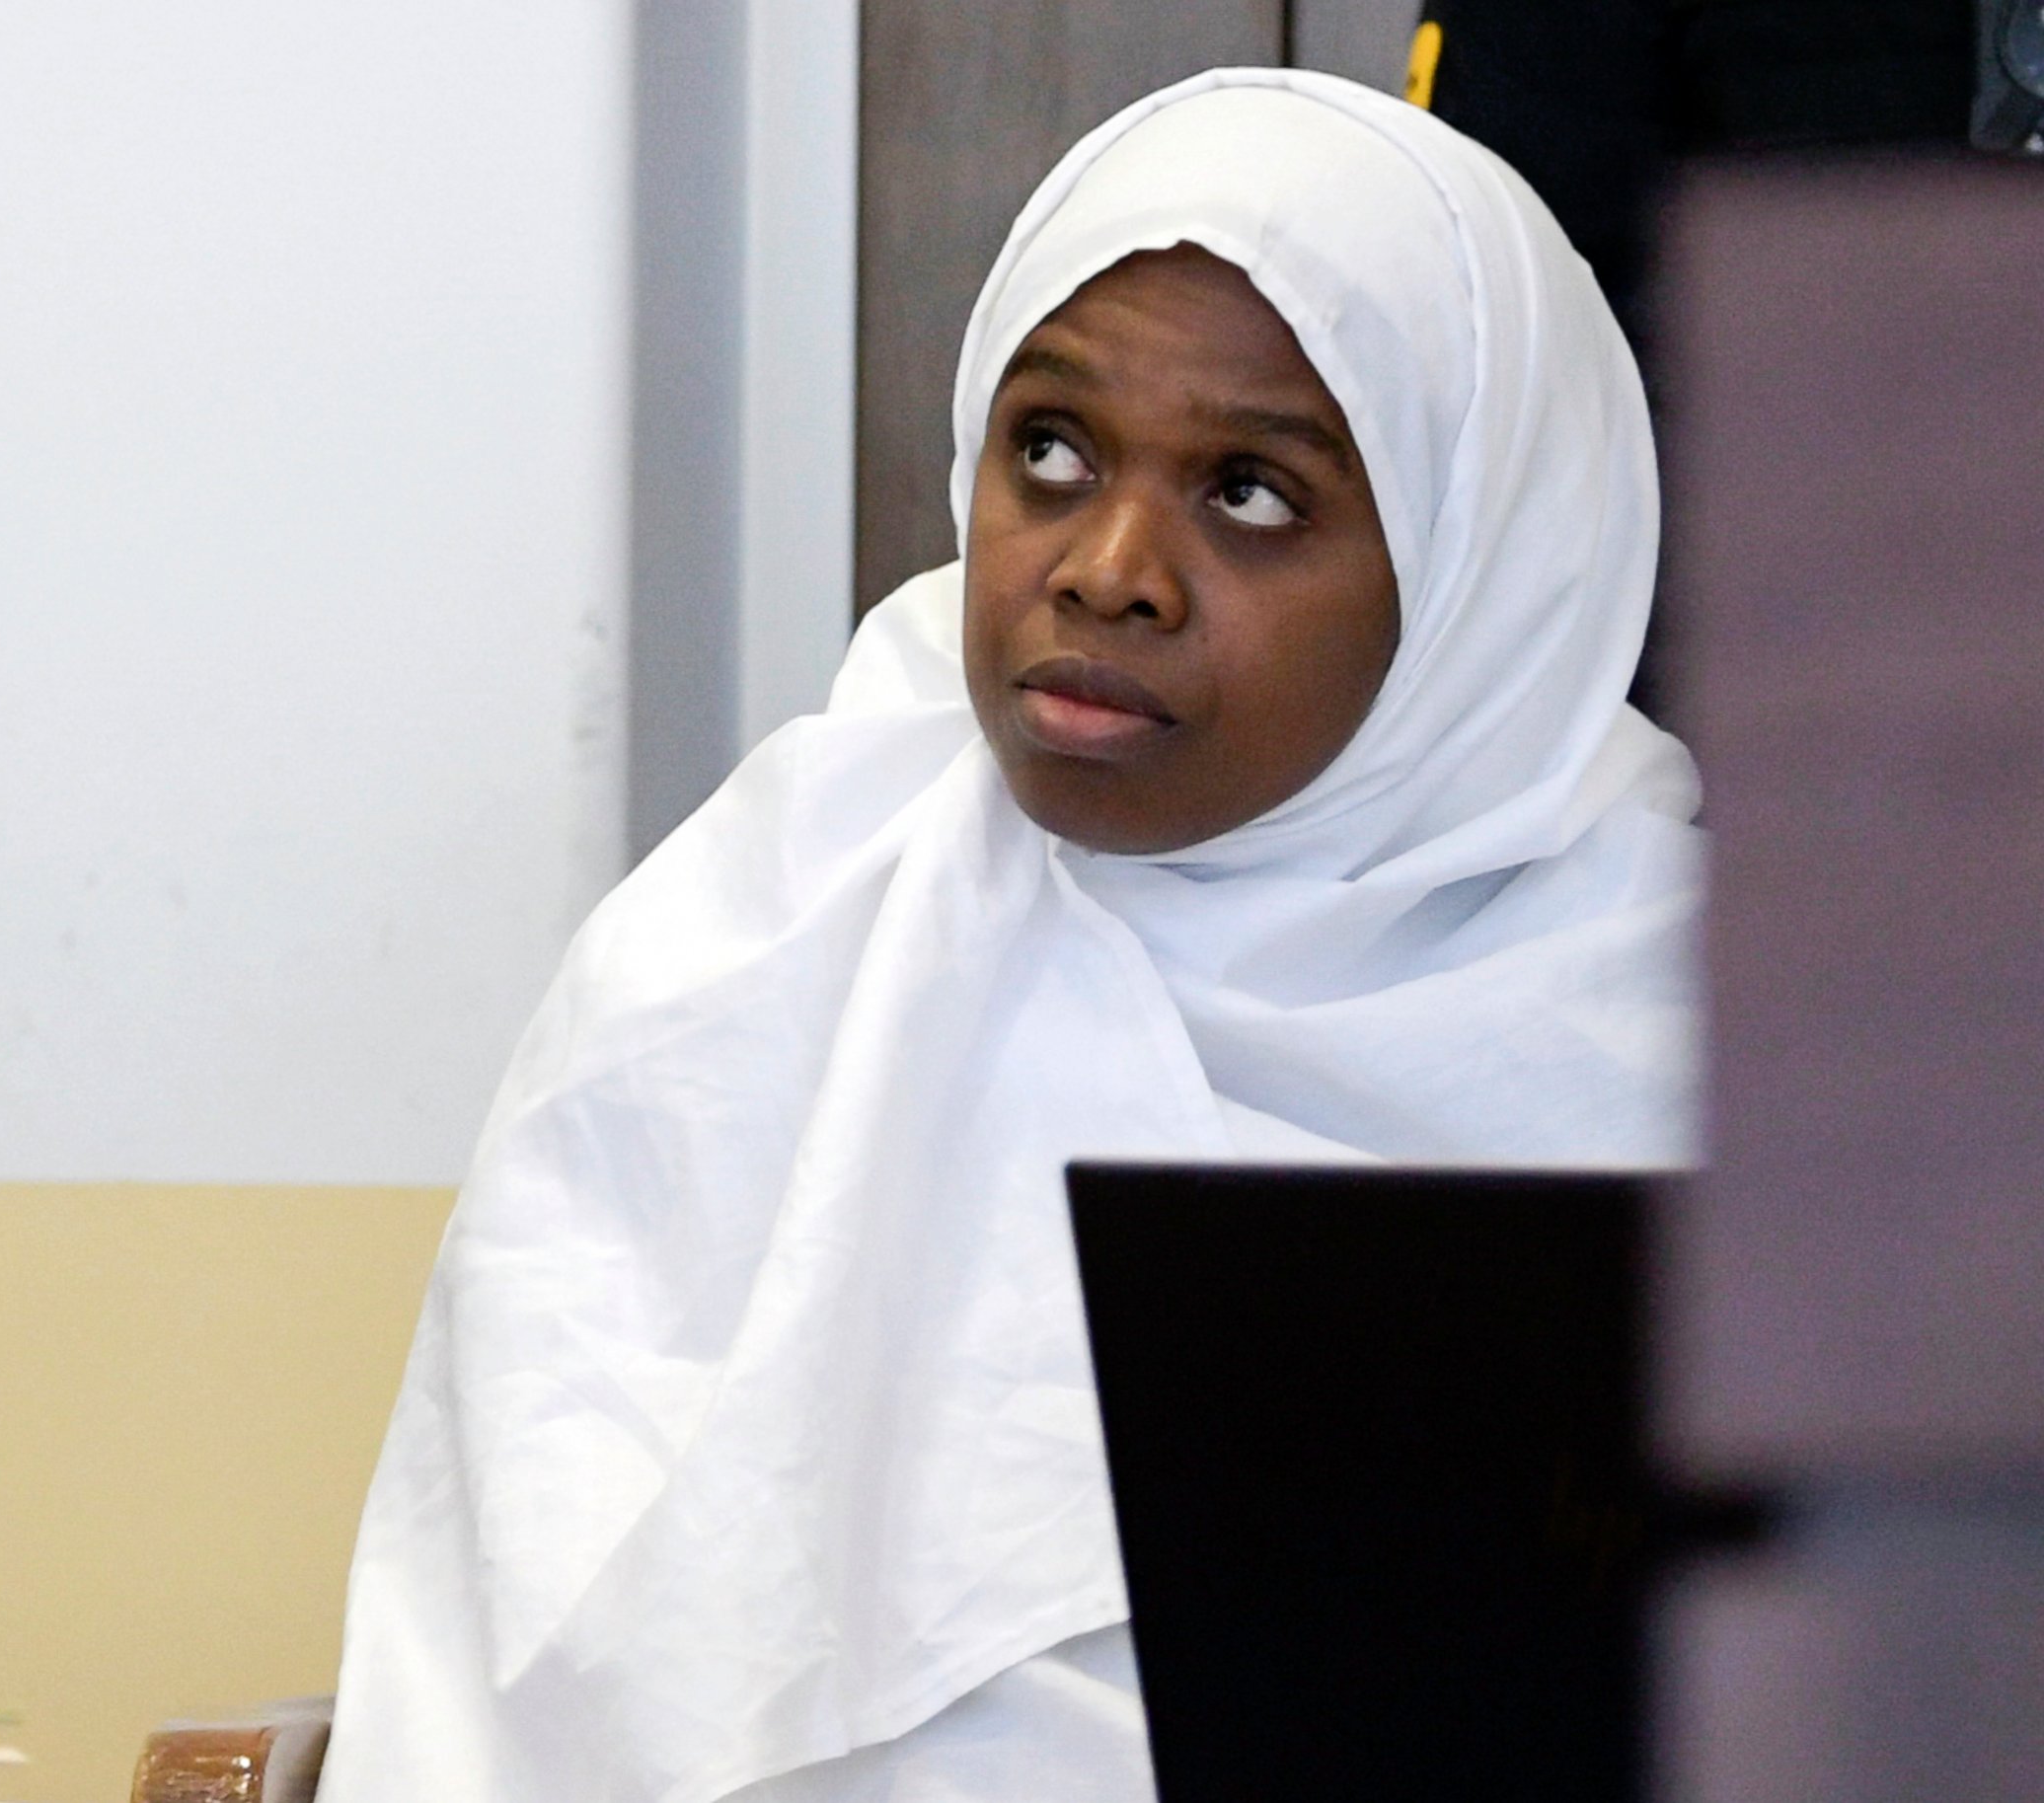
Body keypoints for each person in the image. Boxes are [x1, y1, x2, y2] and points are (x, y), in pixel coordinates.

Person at [315, 65, 1700, 1803]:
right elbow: (507, 1683)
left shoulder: (1708, 1059)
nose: (1108, 567)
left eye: (1252, 493)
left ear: (1489, 583)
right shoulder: (753, 942)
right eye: (1049, 451)